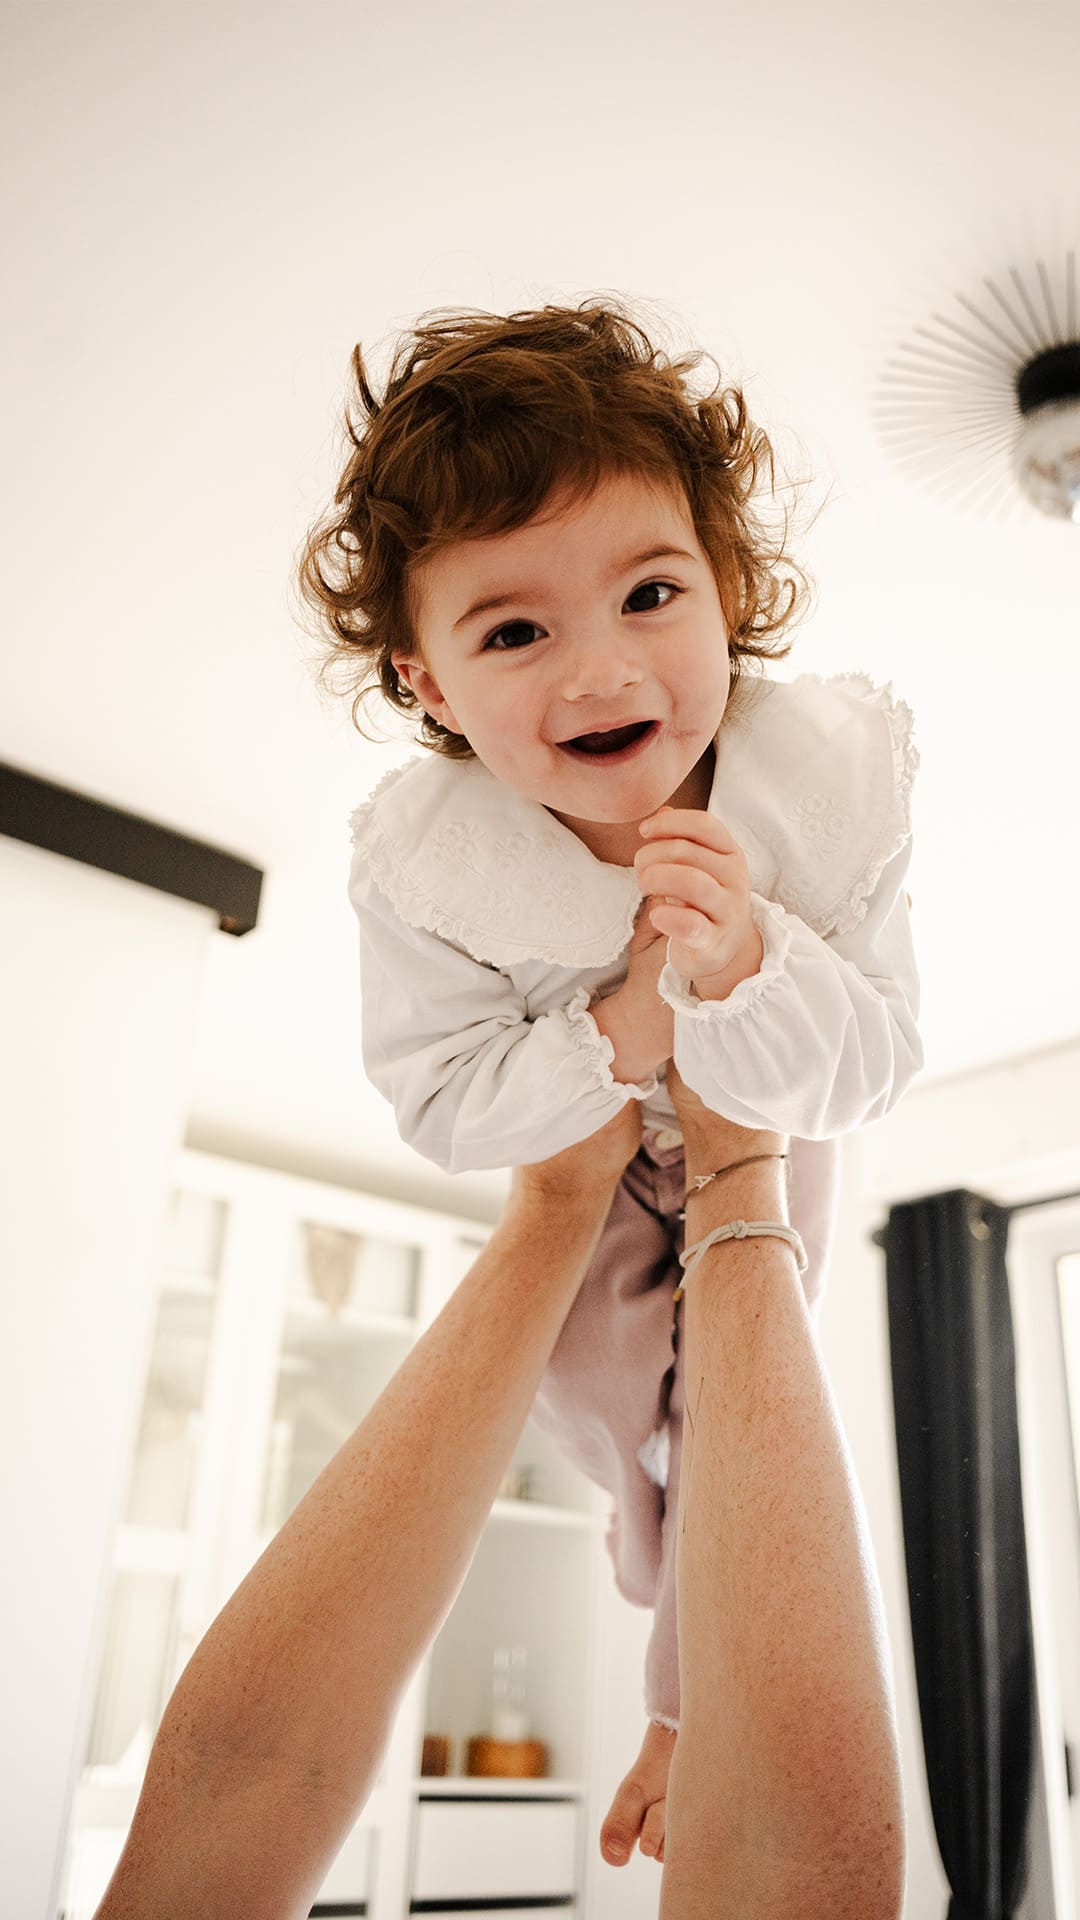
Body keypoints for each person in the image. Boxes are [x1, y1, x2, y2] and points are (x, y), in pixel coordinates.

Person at [298, 297, 922, 1862]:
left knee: (746, 1414)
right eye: (513, 630)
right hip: (575, 1144)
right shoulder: (432, 865)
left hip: (763, 1117)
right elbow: (443, 1102)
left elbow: (877, 1061)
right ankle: (633, 1530)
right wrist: (628, 1024)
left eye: (650, 592)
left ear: (729, 596)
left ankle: (681, 1692)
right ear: (429, 684)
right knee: (588, 1401)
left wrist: (758, 965)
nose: (599, 668)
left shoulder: (822, 790)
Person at [93, 1072, 905, 1920]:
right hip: (742, 1139)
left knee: (582, 1377)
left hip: (606, 1154)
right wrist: (736, 1167)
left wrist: (555, 1204)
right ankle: (651, 1531)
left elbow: (246, 1775)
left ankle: (647, 1533)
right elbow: (785, 1857)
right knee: (665, 1405)